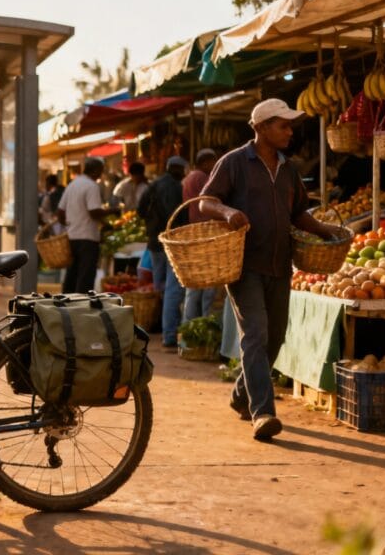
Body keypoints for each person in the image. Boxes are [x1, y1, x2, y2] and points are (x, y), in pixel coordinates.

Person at [200, 98, 341, 441]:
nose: (290, 132)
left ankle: (240, 395)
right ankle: (262, 412)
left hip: (281, 265)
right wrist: (228, 213)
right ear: (262, 127)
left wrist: (325, 230)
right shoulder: (234, 162)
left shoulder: (289, 169)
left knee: (275, 337)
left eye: (290, 125)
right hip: (245, 265)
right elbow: (206, 201)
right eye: (283, 125)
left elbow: (299, 214)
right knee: (257, 334)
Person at [138, 156, 188, 351]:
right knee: (172, 290)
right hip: (169, 242)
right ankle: (169, 335)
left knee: (159, 288)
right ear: (177, 169)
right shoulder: (175, 187)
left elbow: (140, 211)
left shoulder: (154, 184)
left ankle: (158, 327)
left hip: (154, 242)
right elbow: (176, 216)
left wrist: (152, 224)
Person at [57, 157, 115, 293]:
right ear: (95, 171)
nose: (101, 175)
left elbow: (60, 211)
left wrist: (69, 225)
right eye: (100, 171)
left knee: (72, 273)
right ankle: (82, 304)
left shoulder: (73, 184)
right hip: (88, 237)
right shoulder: (91, 186)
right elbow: (94, 212)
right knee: (86, 275)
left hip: (72, 237)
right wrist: (113, 210)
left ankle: (66, 302)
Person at [182, 149, 220, 322]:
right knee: (207, 286)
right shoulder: (201, 177)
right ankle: (205, 322)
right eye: (213, 161)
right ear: (206, 162)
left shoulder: (190, 177)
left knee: (195, 286)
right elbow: (211, 201)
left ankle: (190, 324)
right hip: (204, 233)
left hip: (196, 232)